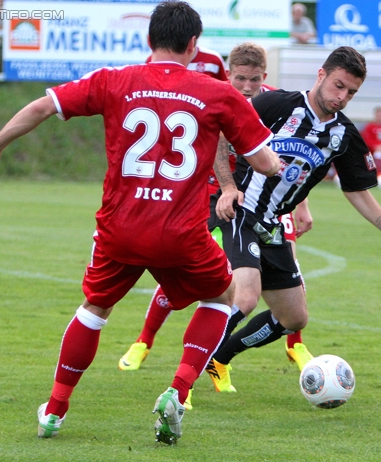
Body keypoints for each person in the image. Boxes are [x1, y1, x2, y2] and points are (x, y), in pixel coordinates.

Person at [0, 1, 280, 445]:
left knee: (94, 310)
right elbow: (263, 161)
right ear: (194, 44)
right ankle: (178, 392)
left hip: (119, 229)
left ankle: (55, 409)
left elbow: (43, 106)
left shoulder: (115, 80)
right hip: (180, 232)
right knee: (223, 297)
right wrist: (278, 161)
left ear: (150, 40)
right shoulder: (216, 92)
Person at [204, 46, 381, 393]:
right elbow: (221, 132)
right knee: (246, 297)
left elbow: (356, 191)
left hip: (272, 224)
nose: (342, 97)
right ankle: (185, 375)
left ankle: (219, 357)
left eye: (351, 92)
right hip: (240, 210)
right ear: (321, 75)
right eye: (338, 86)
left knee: (294, 318)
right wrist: (229, 186)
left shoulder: (344, 135)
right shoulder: (277, 104)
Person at [118, 42, 315, 402]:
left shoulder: (274, 104)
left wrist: (300, 204)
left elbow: (293, 159)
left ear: (264, 78)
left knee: (285, 288)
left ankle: (249, 353)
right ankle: (144, 343)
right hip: (206, 194)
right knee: (182, 266)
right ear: (228, 73)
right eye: (239, 78)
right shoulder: (211, 96)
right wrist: (223, 186)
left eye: (254, 80)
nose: (246, 86)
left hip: (258, 203)